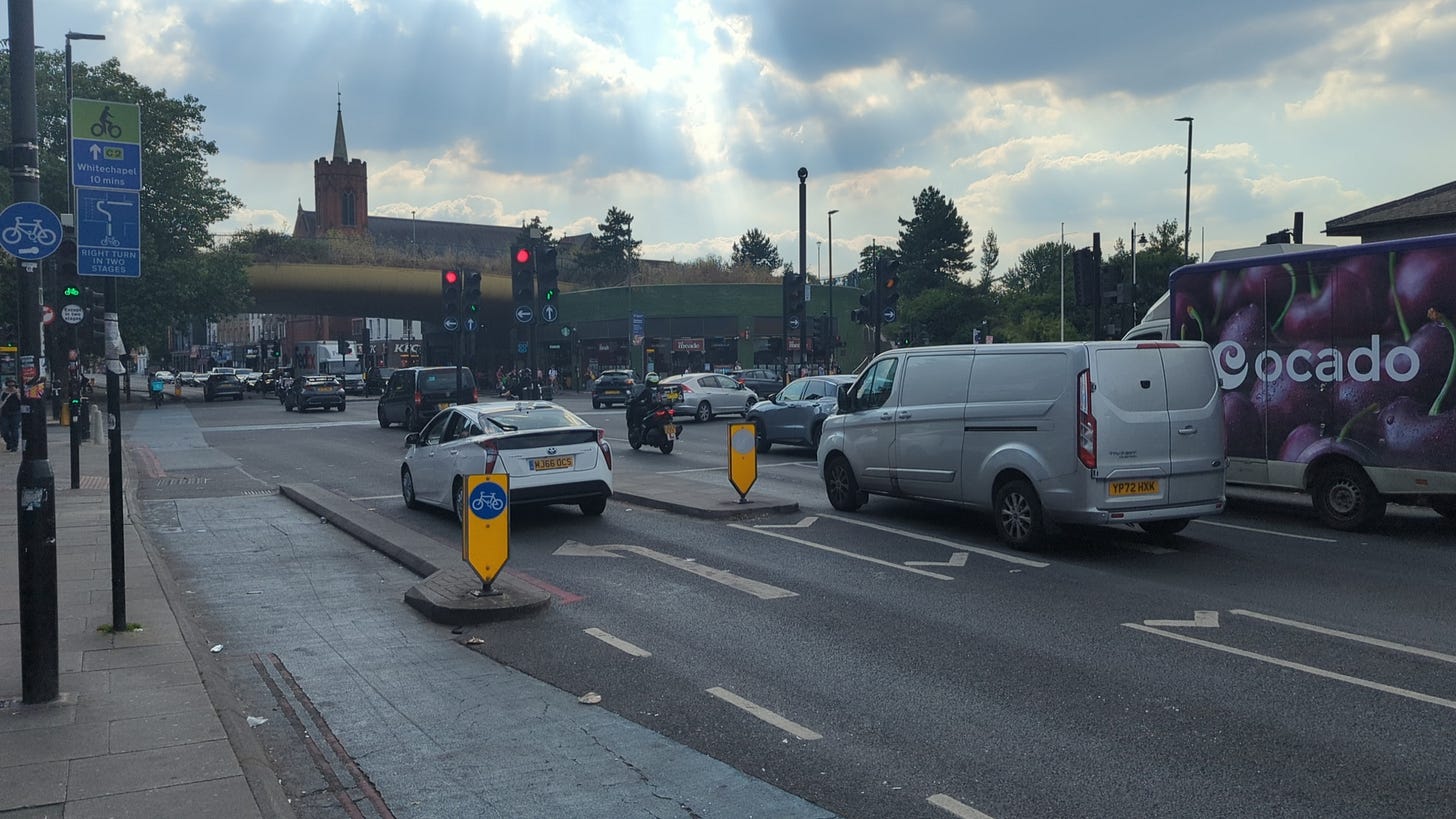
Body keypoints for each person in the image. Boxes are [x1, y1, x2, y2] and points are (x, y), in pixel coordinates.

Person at [1, 380, 21, 452]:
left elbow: (21, 400)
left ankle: (14, 446)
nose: (11, 387)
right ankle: (9, 442)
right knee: (4, 430)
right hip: (5, 413)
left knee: (14, 429)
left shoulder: (17, 392)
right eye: (9, 386)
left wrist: (17, 393)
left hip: (15, 412)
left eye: (13, 385)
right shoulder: (3, 392)